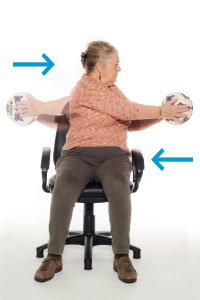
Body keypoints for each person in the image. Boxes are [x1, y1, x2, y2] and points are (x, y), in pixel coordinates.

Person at [17, 41, 189, 284]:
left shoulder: (114, 92)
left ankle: (121, 256)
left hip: (113, 156)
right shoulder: (84, 88)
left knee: (119, 186)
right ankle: (54, 256)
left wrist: (164, 118)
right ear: (100, 66)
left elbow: (132, 122)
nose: (120, 69)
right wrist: (161, 111)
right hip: (78, 155)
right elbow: (128, 111)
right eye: (116, 64)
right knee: (64, 185)